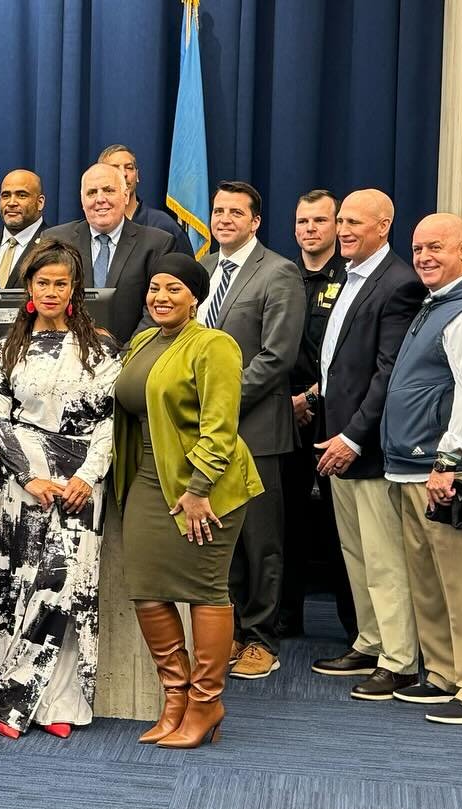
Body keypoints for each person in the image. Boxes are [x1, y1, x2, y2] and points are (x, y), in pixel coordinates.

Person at [112, 253, 263, 749]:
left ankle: (206, 703)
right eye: (154, 288)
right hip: (147, 480)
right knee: (147, 589)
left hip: (206, 485)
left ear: (195, 296)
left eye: (173, 289)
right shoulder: (142, 342)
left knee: (204, 589)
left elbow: (221, 426)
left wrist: (198, 490)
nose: (160, 297)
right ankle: (174, 699)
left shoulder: (215, 345)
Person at [0, 240, 120, 740]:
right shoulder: (7, 349)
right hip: (23, 487)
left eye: (61, 283)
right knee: (19, 589)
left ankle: (57, 702)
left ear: (74, 290)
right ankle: (13, 700)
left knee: (67, 591)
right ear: (29, 287)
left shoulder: (102, 349)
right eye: (42, 282)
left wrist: (87, 477)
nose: (51, 291)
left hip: (82, 486)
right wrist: (29, 475)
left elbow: (110, 422)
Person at [383, 213, 462, 725]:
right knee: (434, 583)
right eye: (417, 249)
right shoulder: (436, 306)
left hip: (458, 474)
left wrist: (449, 460)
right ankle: (443, 675)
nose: (424, 257)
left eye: (436, 247)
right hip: (417, 471)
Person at [310, 189, 425, 701]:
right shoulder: (346, 276)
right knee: (355, 553)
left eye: (355, 221)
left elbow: (388, 373)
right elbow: (340, 362)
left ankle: (399, 661)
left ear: (384, 226)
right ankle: (371, 641)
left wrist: (354, 437)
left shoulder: (399, 283)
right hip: (336, 440)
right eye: (341, 220)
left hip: (367, 448)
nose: (343, 228)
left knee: (383, 559)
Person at [197, 181, 305, 680]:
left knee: (261, 543)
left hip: (254, 430)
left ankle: (263, 638)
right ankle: (233, 632)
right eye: (218, 211)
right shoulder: (201, 271)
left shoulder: (279, 273)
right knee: (222, 541)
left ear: (255, 221)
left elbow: (277, 356)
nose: (224, 219)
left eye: (236, 212)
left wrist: (219, 402)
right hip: (203, 434)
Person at [279, 189, 355, 641]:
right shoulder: (280, 275)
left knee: (337, 527)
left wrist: (310, 398)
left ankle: (354, 627)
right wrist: (287, 403)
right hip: (281, 416)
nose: (311, 229)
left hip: (334, 418)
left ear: (337, 226)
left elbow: (351, 356)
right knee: (285, 524)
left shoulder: (351, 280)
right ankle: (286, 619)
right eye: (303, 221)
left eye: (320, 221)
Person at [45, 163, 175, 345]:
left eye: (108, 190)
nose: (100, 199)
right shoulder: (56, 239)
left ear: (126, 196)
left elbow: (156, 308)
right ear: (82, 201)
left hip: (130, 357)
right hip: (65, 357)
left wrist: (128, 354)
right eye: (91, 193)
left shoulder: (157, 243)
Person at [98, 144, 195, 256]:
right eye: (115, 168)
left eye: (129, 168)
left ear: (137, 176)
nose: (124, 174)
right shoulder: (91, 229)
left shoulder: (163, 226)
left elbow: (187, 272)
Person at [0, 169, 52, 288]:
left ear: (40, 202)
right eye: (6, 196)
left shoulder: (54, 245)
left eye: (22, 195)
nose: (11, 203)